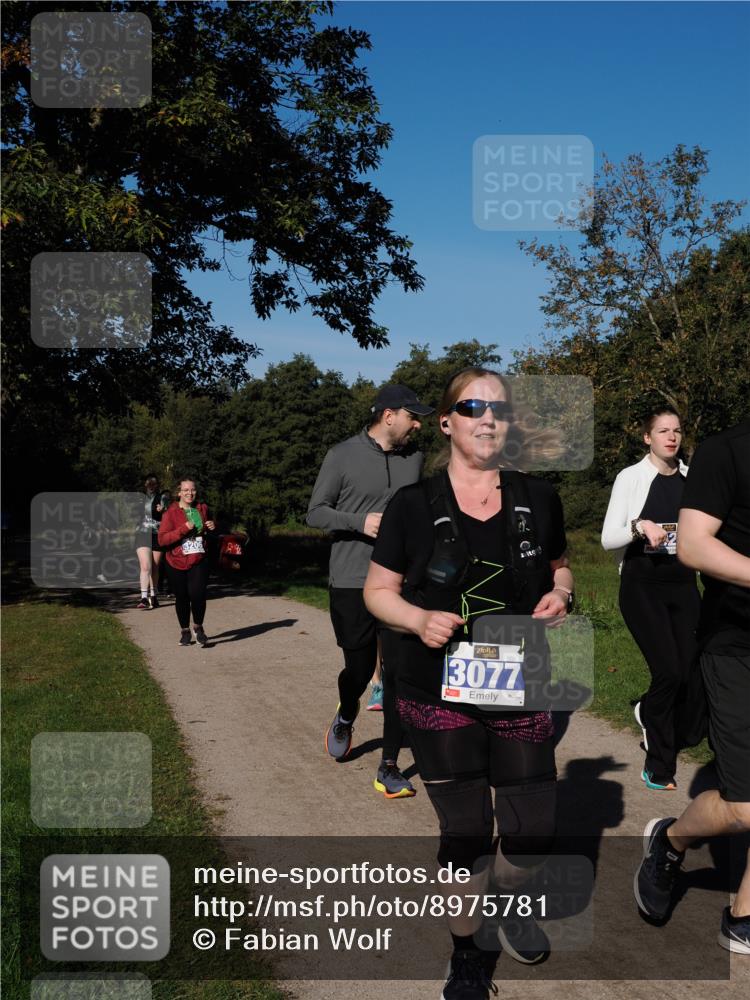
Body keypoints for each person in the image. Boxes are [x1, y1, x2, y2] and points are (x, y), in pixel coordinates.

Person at [364, 367, 573, 998]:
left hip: (520, 681)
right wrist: (416, 619)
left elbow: (560, 568)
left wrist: (562, 595)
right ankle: (468, 955)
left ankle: (507, 902)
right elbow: (378, 591)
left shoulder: (539, 497)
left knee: (531, 834)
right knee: (465, 836)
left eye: (499, 409)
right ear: (447, 422)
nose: (488, 419)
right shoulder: (411, 504)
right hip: (437, 689)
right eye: (473, 407)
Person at [634, 419, 750, 954]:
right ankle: (671, 840)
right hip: (736, 644)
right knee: (745, 806)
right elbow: (697, 546)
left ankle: (743, 915)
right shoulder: (728, 451)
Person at [307, 384, 434, 798]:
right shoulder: (342, 455)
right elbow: (315, 512)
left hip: (400, 582)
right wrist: (360, 522)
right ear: (389, 416)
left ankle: (389, 766)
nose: (418, 425)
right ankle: (347, 712)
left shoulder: (415, 459)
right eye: (412, 417)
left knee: (398, 672)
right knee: (360, 671)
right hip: (351, 579)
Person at [601, 409, 703, 790]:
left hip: (684, 584)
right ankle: (659, 765)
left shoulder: (692, 479)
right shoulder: (630, 477)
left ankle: (650, 711)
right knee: (669, 672)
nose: (671, 437)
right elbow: (608, 538)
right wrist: (639, 526)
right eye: (662, 431)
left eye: (676, 430)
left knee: (692, 672)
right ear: (647, 438)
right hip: (642, 585)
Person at [157, 478, 215, 646]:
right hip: (176, 560)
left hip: (198, 558)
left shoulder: (202, 508)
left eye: (192, 490)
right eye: (186, 490)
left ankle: (198, 628)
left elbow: (208, 528)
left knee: (198, 594)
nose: (190, 493)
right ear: (179, 493)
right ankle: (185, 631)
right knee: (182, 597)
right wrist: (184, 529)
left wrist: (212, 525)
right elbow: (162, 540)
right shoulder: (170, 513)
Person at [135, 473, 166, 609]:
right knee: (145, 566)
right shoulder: (140, 498)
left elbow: (168, 509)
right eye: (149, 483)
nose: (151, 486)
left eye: (154, 483)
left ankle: (153, 596)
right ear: (145, 484)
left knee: (154, 567)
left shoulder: (162, 497)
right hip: (143, 534)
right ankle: (143, 598)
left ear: (157, 485)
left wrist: (163, 509)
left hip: (157, 534)